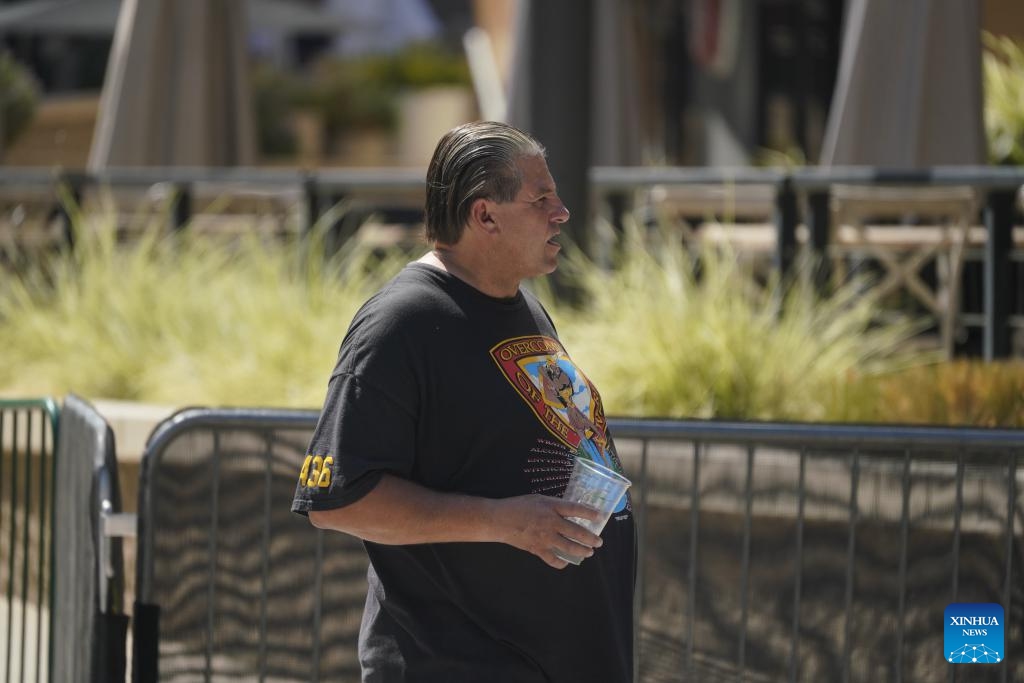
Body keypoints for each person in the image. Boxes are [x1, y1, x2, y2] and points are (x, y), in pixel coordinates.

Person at [292, 120, 635, 682]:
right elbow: (337, 500)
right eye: (541, 198)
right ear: (484, 216)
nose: (561, 212)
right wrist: (503, 522)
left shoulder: (521, 305)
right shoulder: (401, 323)